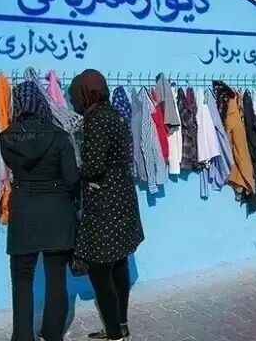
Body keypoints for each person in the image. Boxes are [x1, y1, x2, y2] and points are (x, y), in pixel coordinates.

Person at [0, 81, 80, 341]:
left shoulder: (7, 137)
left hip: (23, 211)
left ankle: (23, 336)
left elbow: (15, 170)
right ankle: (52, 333)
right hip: (58, 212)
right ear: (41, 103)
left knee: (22, 279)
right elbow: (72, 178)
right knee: (56, 277)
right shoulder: (60, 136)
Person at [69, 69, 144, 341]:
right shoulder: (114, 114)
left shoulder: (96, 119)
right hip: (122, 197)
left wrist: (75, 173)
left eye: (76, 95)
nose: (74, 101)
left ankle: (114, 335)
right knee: (120, 263)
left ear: (85, 93)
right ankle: (120, 326)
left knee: (100, 272)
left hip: (105, 203)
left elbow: (95, 166)